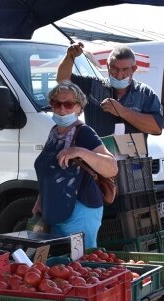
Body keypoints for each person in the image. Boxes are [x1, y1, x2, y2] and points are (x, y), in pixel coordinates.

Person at [32, 81, 117, 248]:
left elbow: (112, 167)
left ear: (79, 107)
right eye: (57, 103)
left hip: (80, 211)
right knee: (62, 266)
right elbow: (51, 172)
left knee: (81, 265)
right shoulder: (54, 132)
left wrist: (79, 151)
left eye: (69, 104)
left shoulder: (84, 133)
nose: (62, 109)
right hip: (56, 209)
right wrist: (40, 200)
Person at [57, 43, 163, 138]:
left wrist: (122, 111)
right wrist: (70, 56)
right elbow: (62, 80)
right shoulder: (94, 86)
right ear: (107, 66)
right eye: (114, 68)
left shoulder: (145, 93)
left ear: (134, 69)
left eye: (125, 69)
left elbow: (157, 128)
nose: (119, 75)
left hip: (132, 159)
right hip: (97, 157)